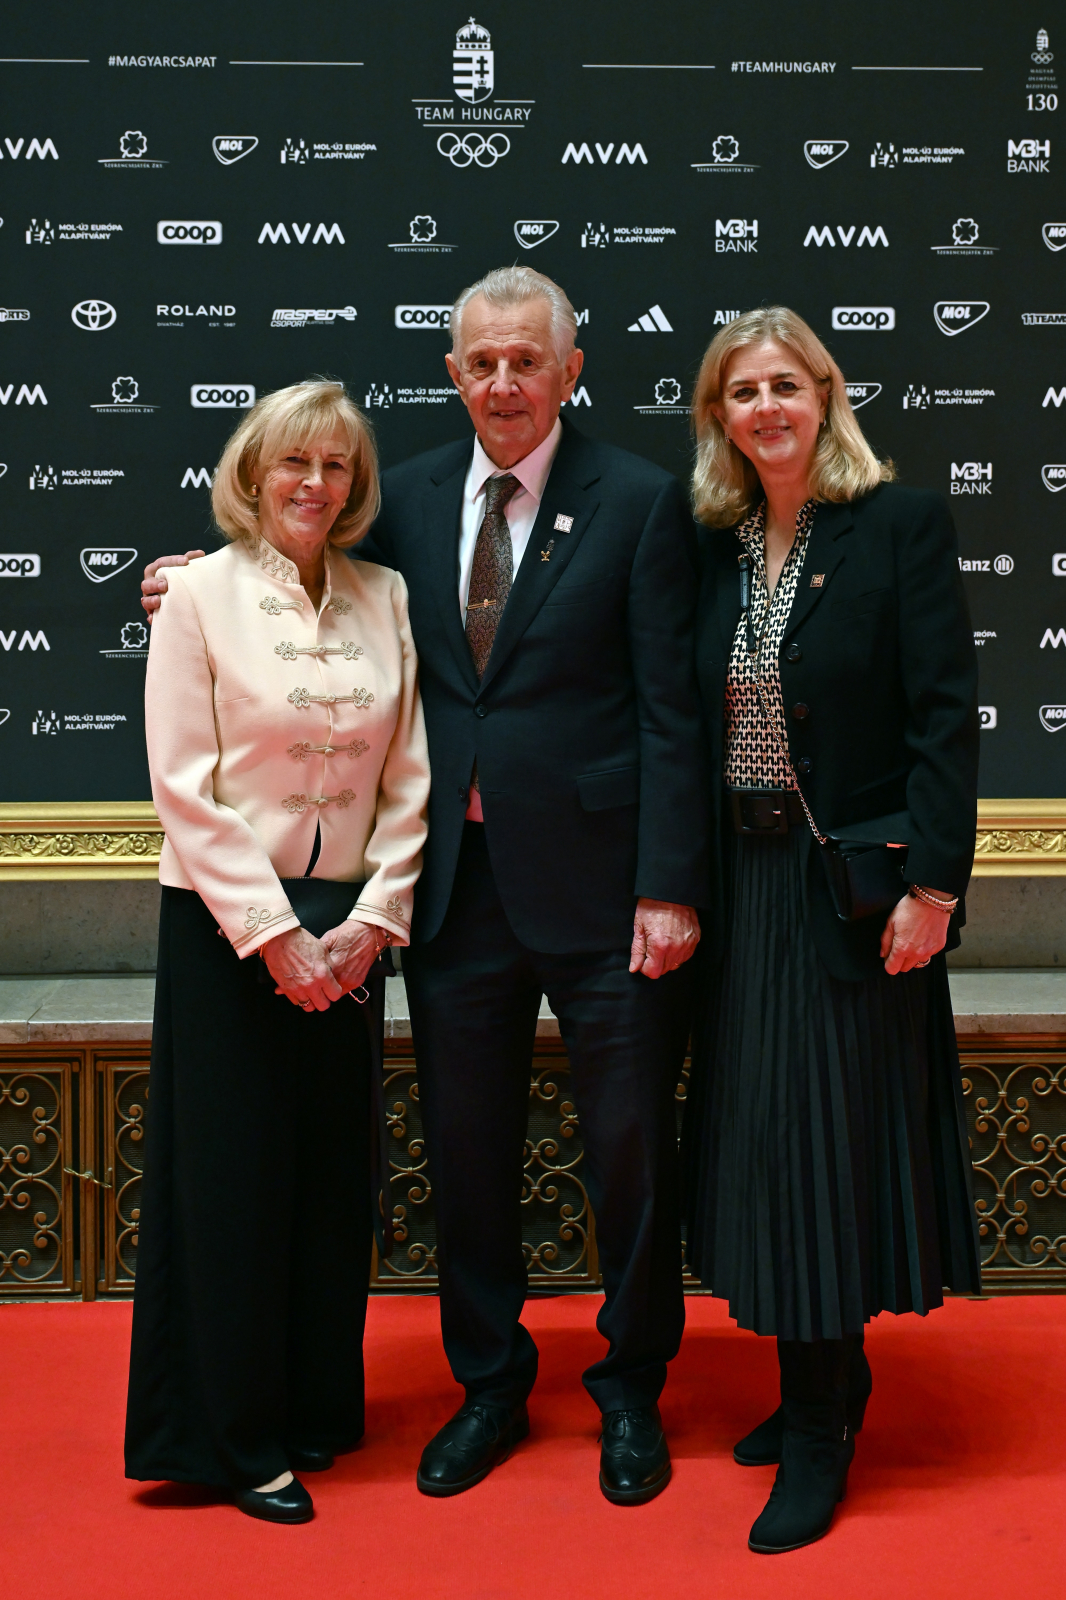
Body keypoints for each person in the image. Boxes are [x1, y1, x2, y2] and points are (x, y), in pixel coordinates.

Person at [142, 265, 709, 1506]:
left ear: (569, 370)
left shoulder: (639, 501)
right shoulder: (395, 502)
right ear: (451, 374)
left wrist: (669, 883)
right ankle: (489, 1383)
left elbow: (674, 712)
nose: (503, 383)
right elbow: (295, 572)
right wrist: (194, 573)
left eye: (525, 360)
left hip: (608, 892)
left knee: (629, 1152)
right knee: (465, 1153)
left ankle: (630, 1388)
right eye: (480, 362)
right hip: (455, 894)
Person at [682, 306, 980, 1554]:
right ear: (719, 416)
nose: (765, 407)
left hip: (853, 893)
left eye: (783, 385)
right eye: (741, 391)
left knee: (826, 1147)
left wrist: (935, 891)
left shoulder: (896, 525)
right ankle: (829, 1377)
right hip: (744, 887)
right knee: (766, 1141)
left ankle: (817, 1428)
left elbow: (945, 717)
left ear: (825, 393)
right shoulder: (713, 541)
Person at [125, 381, 430, 1524]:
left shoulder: (385, 594)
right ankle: (232, 1437)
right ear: (252, 475)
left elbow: (411, 773)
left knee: (327, 1180)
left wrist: (375, 916)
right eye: (294, 462)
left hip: (349, 933)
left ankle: (310, 1405)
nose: (315, 483)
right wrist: (271, 934)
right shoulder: (196, 594)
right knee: (233, 1185)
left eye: (337, 465)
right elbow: (183, 784)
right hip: (227, 925)